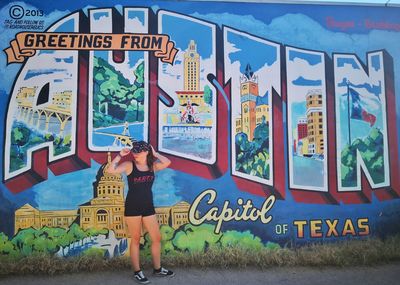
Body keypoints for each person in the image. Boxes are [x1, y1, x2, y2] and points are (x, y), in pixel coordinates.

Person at [106, 141, 174, 284]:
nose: (135, 153)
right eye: (134, 151)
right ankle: (137, 272)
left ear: (146, 152)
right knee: (136, 239)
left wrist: (155, 154)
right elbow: (110, 170)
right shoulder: (129, 165)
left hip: (148, 207)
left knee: (156, 238)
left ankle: (157, 269)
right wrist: (119, 156)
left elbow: (167, 162)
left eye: (138, 151)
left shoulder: (152, 167)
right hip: (133, 207)